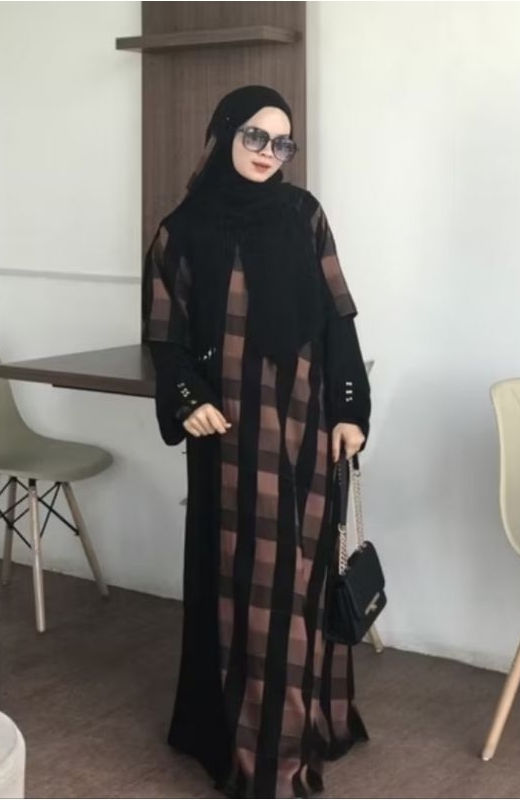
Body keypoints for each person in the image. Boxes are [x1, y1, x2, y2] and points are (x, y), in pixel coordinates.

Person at [142, 85, 372, 798]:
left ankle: (309, 721)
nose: (269, 153)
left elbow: (337, 318)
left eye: (282, 143)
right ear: (222, 135)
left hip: (308, 425)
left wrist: (350, 408)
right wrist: (188, 400)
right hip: (235, 435)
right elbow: (165, 337)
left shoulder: (304, 215)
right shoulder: (182, 230)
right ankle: (263, 748)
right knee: (252, 582)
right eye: (255, 137)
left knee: (306, 575)